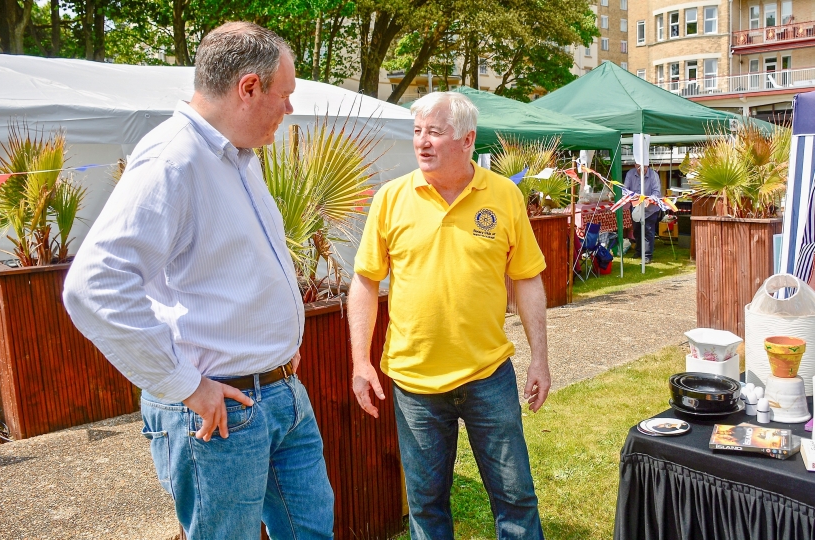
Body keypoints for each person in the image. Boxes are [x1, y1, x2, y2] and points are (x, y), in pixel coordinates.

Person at [62, 22, 333, 540]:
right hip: (220, 412)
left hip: (277, 396)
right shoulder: (173, 159)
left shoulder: (237, 155)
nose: (290, 109)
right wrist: (184, 386)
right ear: (249, 88)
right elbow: (94, 285)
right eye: (285, 94)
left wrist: (276, 345)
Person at [348, 91, 550, 539]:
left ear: (467, 139)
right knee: (427, 506)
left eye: (435, 133)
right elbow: (364, 282)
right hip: (414, 382)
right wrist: (361, 361)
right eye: (417, 132)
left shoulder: (504, 195)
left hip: (487, 374)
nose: (422, 142)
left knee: (516, 500)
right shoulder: (390, 198)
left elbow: (528, 278)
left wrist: (540, 358)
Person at [624, 162, 661, 263]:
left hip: (651, 209)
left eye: (644, 166)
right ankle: (639, 251)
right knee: (637, 231)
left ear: (648, 165)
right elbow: (625, 190)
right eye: (638, 166)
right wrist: (632, 197)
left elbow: (656, 192)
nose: (641, 168)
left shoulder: (654, 175)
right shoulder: (630, 174)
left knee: (648, 231)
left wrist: (648, 200)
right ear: (635, 165)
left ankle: (647, 255)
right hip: (636, 208)